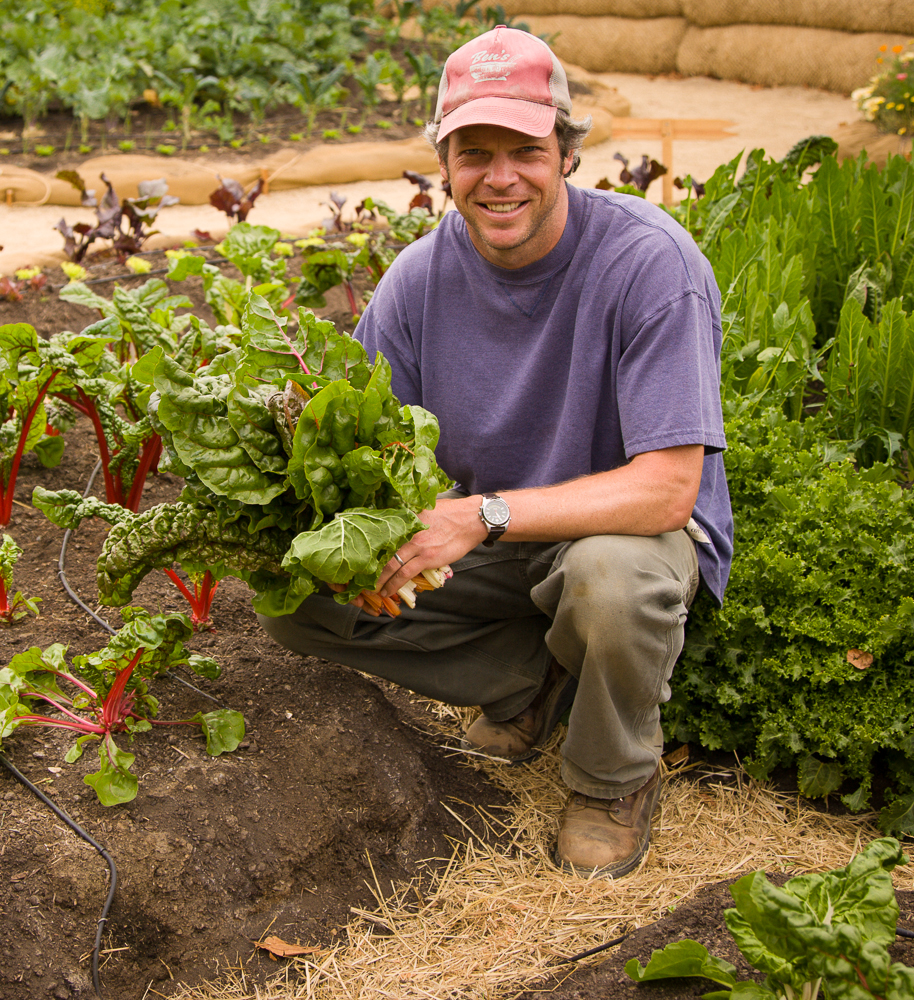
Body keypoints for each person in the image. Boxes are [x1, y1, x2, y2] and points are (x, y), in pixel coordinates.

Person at [257, 25, 732, 878]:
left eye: (526, 149)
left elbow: (667, 491)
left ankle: (611, 779)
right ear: (444, 164)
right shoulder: (417, 281)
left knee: (607, 584)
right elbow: (361, 441)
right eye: (474, 151)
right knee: (300, 600)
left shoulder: (651, 264)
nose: (500, 176)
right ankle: (530, 682)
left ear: (567, 155)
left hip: (621, 538)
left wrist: (481, 513)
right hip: (496, 545)